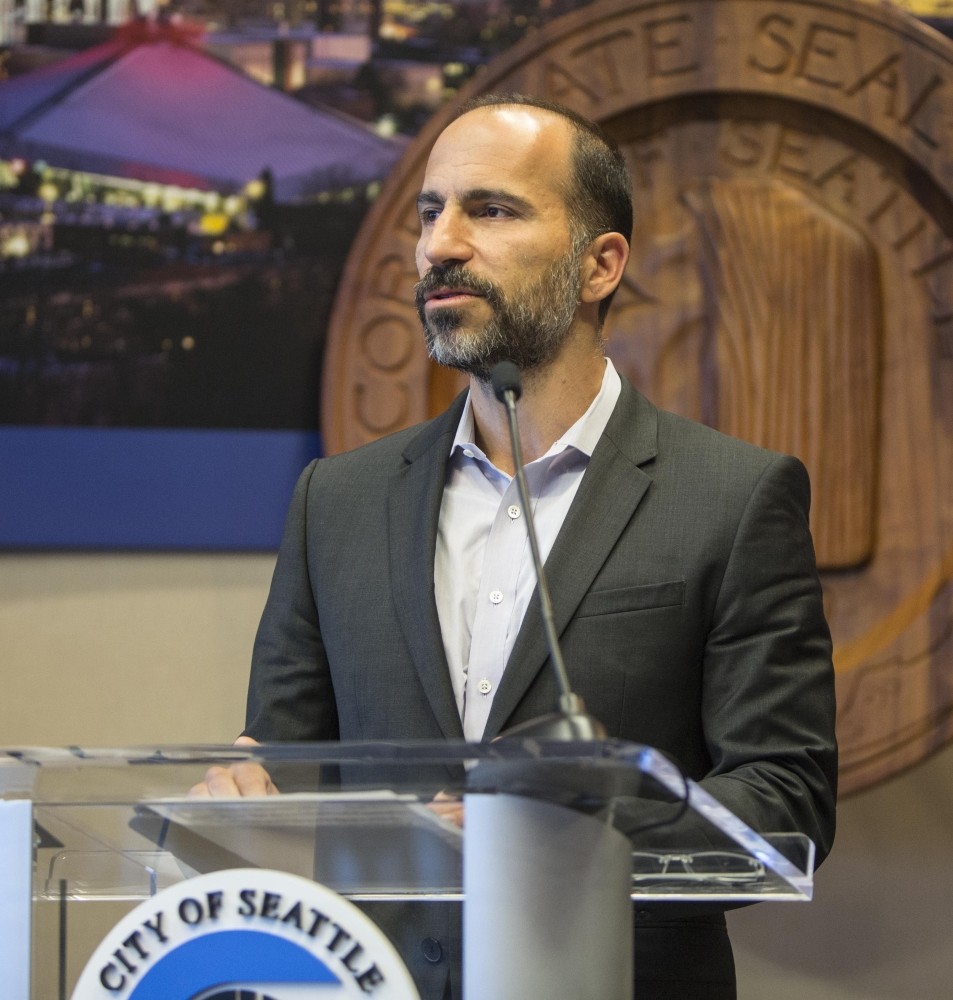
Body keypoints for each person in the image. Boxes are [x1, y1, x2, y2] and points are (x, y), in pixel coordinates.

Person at [195, 94, 837, 999]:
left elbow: (785, 803)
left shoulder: (732, 498)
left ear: (598, 264)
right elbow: (286, 761)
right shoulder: (333, 500)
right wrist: (246, 790)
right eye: (430, 213)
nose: (439, 246)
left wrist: (573, 831)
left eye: (489, 210)